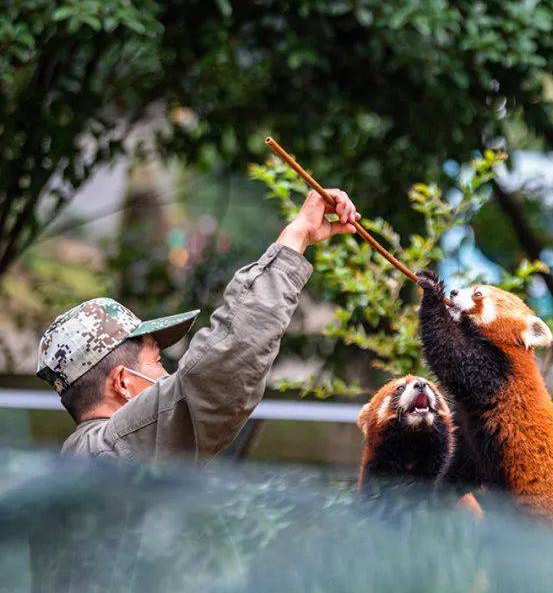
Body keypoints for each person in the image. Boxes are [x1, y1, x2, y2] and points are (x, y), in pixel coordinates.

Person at [35, 188, 360, 461]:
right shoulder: (112, 452)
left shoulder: (82, 458)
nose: (166, 375)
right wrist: (296, 235)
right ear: (121, 382)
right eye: (157, 362)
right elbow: (222, 366)